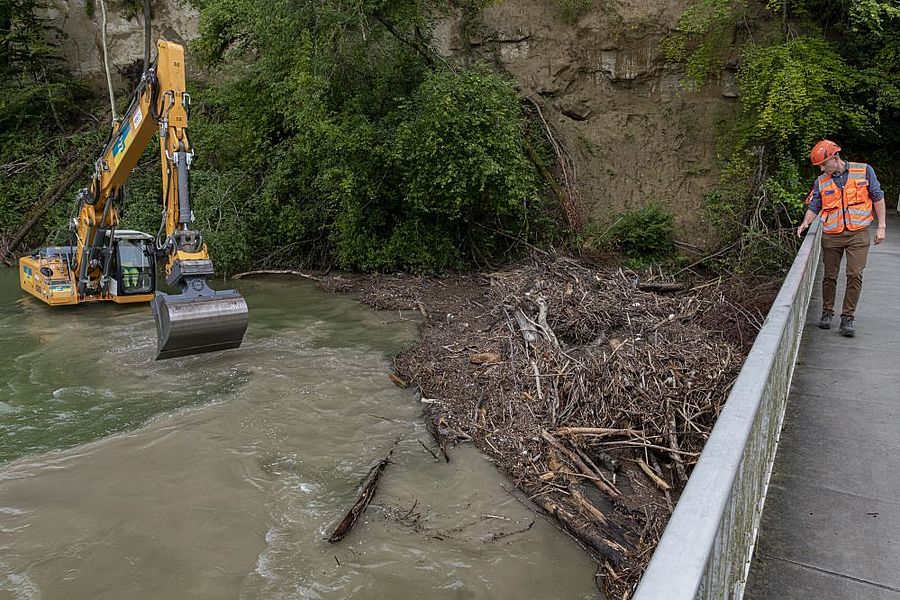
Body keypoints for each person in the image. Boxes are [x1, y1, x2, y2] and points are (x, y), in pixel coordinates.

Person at [797, 139, 886, 337]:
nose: (821, 169)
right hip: (832, 234)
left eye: (823, 164)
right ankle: (827, 313)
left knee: (854, 275)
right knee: (830, 276)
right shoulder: (821, 182)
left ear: (834, 158)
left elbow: (878, 197)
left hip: (858, 233)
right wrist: (806, 222)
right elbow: (815, 205)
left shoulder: (864, 171)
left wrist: (881, 226)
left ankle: (847, 317)